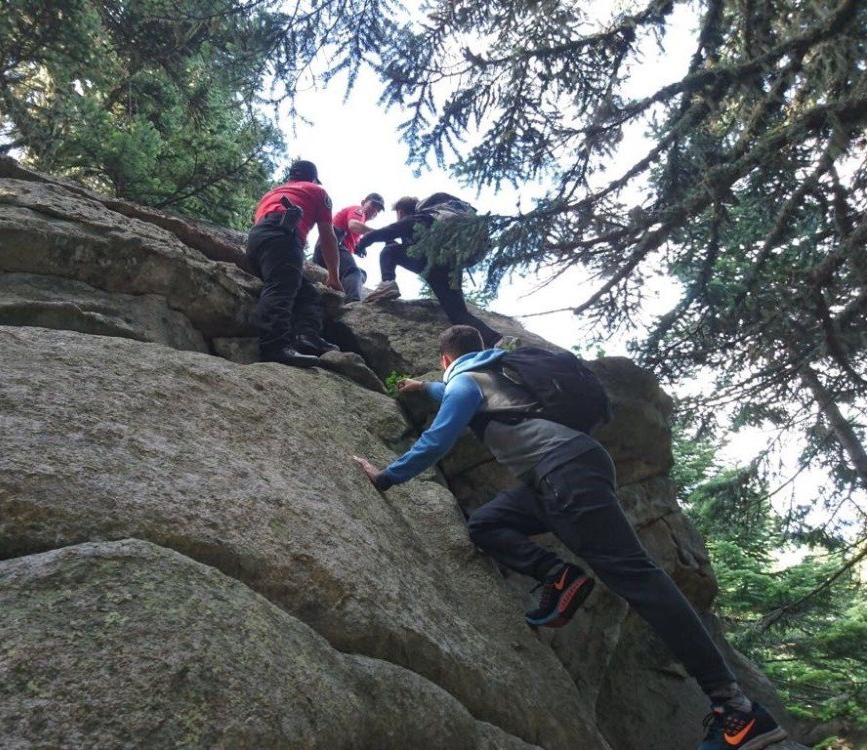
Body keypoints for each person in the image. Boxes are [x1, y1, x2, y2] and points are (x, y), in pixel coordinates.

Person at [352, 325, 788, 750]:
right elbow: (452, 394)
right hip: (558, 473)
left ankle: (737, 708)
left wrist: (387, 477)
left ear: (446, 358)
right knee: (487, 523)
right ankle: (560, 578)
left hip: (564, 472)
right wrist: (423, 387)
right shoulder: (494, 372)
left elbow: (437, 439)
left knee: (639, 579)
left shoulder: (468, 381)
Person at [355, 195, 501, 347]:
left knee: (389, 251)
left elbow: (385, 232)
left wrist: (361, 244)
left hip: (430, 263)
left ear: (401, 212)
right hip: (449, 267)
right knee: (458, 314)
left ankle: (387, 283)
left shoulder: (420, 220)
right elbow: (398, 240)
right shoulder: (433, 223)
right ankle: (496, 340)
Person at [246, 160, 343, 368]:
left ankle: (306, 337)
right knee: (280, 288)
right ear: (313, 178)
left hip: (257, 240)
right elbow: (328, 237)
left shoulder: (272, 193)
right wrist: (334, 276)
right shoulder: (316, 190)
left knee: (308, 295)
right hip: (283, 233)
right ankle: (274, 347)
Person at [313, 193, 385, 302]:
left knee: (362, 274)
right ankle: (353, 304)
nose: (375, 210)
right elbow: (353, 225)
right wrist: (379, 233)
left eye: (378, 210)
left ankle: (342, 289)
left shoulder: (361, 221)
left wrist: (358, 247)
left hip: (327, 252)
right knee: (353, 272)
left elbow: (350, 235)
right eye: (373, 205)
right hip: (331, 248)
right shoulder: (359, 210)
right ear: (363, 202)